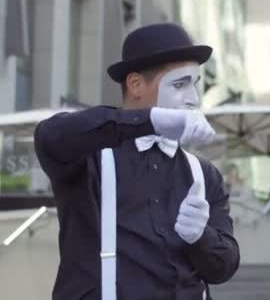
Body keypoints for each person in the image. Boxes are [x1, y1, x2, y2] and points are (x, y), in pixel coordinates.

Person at [34, 23, 239, 299]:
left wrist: (201, 237)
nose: (194, 99)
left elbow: (223, 269)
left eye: (195, 84)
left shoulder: (203, 174)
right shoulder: (89, 158)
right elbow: (50, 135)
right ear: (135, 84)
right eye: (180, 84)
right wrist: (151, 121)